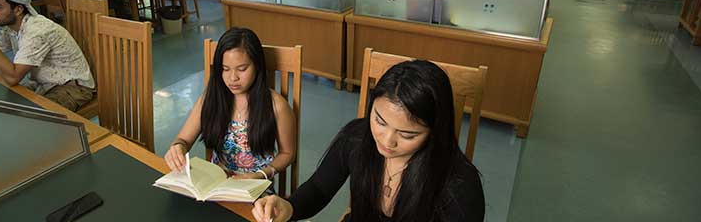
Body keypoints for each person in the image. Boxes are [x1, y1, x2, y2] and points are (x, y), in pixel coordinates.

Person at [253, 60, 485, 222]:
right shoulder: (356, 137)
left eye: (407, 135)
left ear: (436, 131)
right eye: (379, 121)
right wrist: (289, 207)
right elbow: (319, 189)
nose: (387, 141)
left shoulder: (459, 185)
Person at [164, 27, 296, 181]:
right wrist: (178, 147)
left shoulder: (276, 105)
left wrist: (262, 174)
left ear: (257, 66)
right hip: (215, 184)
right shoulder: (211, 98)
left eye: (242, 69)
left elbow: (288, 153)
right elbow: (183, 139)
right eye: (225, 69)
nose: (233, 78)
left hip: (255, 187)